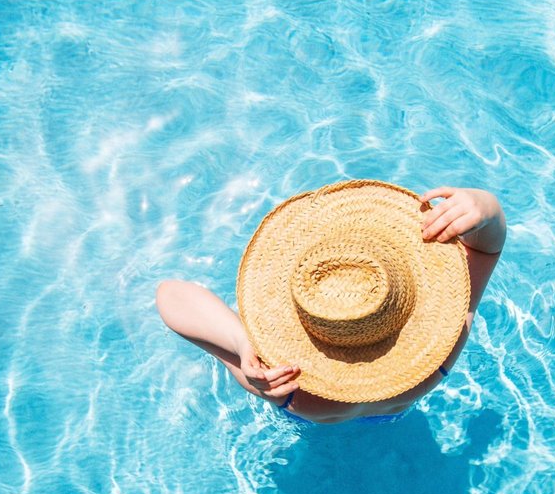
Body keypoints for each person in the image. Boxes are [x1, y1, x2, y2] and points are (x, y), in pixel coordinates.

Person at [157, 181, 505, 424]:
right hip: (400, 410)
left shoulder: (286, 384)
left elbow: (170, 296)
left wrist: (243, 344)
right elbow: (488, 246)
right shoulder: (441, 349)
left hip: (315, 422)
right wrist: (485, 206)